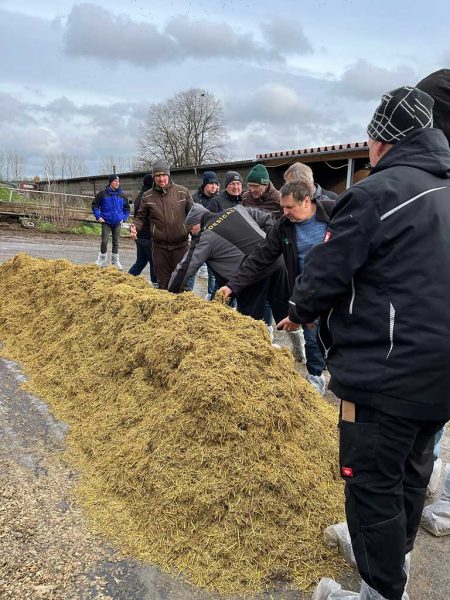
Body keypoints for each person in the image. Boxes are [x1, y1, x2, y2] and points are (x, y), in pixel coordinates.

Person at [280, 86, 450, 600]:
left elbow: (328, 272)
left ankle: (378, 591)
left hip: (387, 371)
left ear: (382, 141)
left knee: (372, 483)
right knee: (412, 475)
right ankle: (382, 556)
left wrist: (296, 312)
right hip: (439, 376)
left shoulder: (378, 194)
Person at [218, 180, 335, 394]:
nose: (285, 212)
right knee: (312, 336)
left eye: (290, 207)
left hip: (338, 290)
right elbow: (260, 257)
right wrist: (233, 286)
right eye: (283, 207)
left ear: (307, 201)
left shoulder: (332, 214)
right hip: (307, 292)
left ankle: (339, 373)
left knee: (338, 335)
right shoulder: (284, 226)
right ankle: (316, 378)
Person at [168, 203, 290, 328]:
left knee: (249, 324)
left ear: (196, 224)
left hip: (250, 274)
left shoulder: (205, 235)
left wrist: (170, 296)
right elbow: (266, 217)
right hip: (277, 261)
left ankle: (253, 346)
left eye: (191, 230)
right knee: (287, 316)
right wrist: (266, 242)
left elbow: (185, 268)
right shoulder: (237, 210)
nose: (192, 234)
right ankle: (299, 345)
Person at [130, 158, 193, 290]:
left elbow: (194, 214)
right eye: (157, 175)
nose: (161, 178)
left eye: (163, 175)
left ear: (168, 175)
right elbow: (140, 217)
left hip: (180, 246)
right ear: (153, 177)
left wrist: (197, 229)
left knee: (182, 283)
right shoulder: (147, 196)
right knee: (163, 284)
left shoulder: (182, 192)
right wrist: (135, 226)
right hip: (160, 248)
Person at [92, 174, 130, 269]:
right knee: (104, 241)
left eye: (118, 181)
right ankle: (101, 260)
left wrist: (124, 218)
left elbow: (127, 209)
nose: (117, 183)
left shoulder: (122, 195)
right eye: (115, 181)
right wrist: (98, 216)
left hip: (117, 222)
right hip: (106, 222)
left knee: (116, 242)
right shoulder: (102, 194)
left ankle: (115, 262)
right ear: (110, 182)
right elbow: (95, 206)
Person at [192, 170, 220, 298]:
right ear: (204, 185)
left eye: (215, 183)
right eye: (211, 183)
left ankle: (210, 295)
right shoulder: (195, 198)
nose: (214, 186)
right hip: (198, 239)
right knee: (191, 268)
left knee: (213, 272)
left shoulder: (220, 199)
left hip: (215, 241)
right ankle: (187, 294)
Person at [128, 173, 158, 286]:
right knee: (153, 262)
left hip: (140, 236)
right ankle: (156, 285)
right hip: (147, 236)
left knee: (140, 262)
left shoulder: (141, 195)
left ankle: (126, 280)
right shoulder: (148, 198)